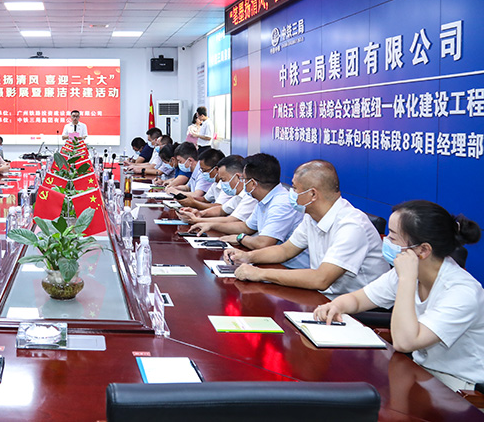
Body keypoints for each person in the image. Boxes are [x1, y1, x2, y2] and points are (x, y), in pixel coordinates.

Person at [314, 200, 484, 392]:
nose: (386, 240)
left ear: (423, 250)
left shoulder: (462, 292)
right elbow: (358, 299)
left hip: (459, 387)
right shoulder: (406, 272)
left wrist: (406, 280)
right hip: (419, 371)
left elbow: (405, 342)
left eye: (393, 237)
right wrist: (336, 305)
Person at [224, 160, 389, 297]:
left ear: (313, 194)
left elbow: (321, 279)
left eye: (295, 188)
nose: (291, 192)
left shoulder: (352, 225)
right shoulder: (311, 217)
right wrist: (247, 257)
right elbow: (285, 251)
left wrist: (259, 274)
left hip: (359, 310)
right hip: (325, 298)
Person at [191, 153, 308, 269]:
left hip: (289, 268)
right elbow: (246, 227)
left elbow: (263, 243)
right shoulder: (263, 199)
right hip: (271, 262)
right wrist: (211, 225)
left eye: (243, 179)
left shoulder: (282, 203)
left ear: (252, 183)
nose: (242, 182)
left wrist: (240, 238)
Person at [178, 155, 258, 226]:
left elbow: (232, 220)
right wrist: (200, 213)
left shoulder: (251, 196)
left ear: (238, 177)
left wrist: (197, 219)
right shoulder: (240, 195)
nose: (222, 183)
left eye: (223, 180)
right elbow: (221, 209)